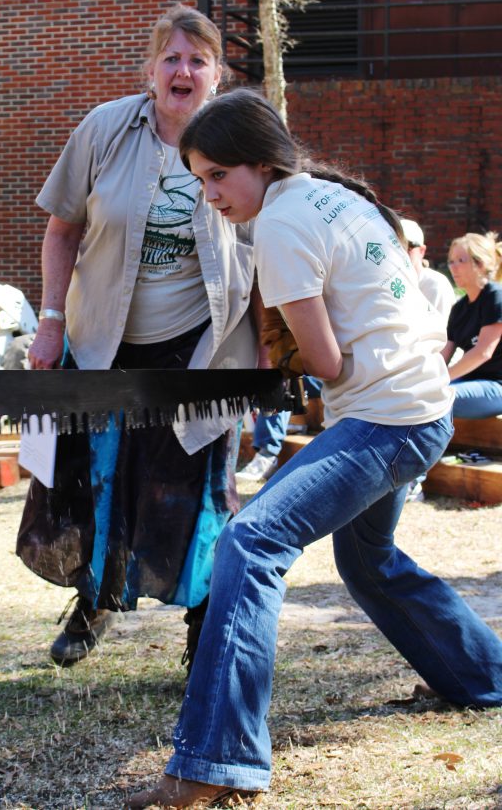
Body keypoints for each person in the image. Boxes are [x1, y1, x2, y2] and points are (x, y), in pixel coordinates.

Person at [127, 88, 502, 809]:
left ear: (260, 164)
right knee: (370, 560)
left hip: (388, 418)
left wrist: (286, 358)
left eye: (216, 177)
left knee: (250, 541)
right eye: (199, 181)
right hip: (418, 407)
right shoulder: (333, 197)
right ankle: (482, 675)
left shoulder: (282, 224)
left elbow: (326, 364)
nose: (209, 197)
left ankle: (216, 761)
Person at [18, 6, 262, 668]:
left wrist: (269, 355)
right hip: (105, 340)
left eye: (198, 59)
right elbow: (62, 229)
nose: (184, 70)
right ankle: (95, 599)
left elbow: (273, 246)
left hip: (204, 347)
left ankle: (205, 619)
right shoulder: (105, 129)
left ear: (218, 73)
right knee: (97, 478)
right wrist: (48, 321)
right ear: (151, 69)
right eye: (172, 58)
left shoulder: (243, 139)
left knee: (199, 485)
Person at [400, 218, 455, 501]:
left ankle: (414, 480)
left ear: (422, 251)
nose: (399, 251)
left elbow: (441, 341)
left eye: (406, 246)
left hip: (430, 368)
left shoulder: (436, 284)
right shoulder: (389, 279)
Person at [442, 232, 502, 420]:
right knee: (417, 394)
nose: (453, 267)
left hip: (497, 385)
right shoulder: (459, 309)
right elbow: (442, 356)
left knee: (437, 397)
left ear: (481, 264)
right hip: (472, 381)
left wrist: (439, 380)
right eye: (451, 261)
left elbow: (483, 352)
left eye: (461, 260)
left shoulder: (495, 296)